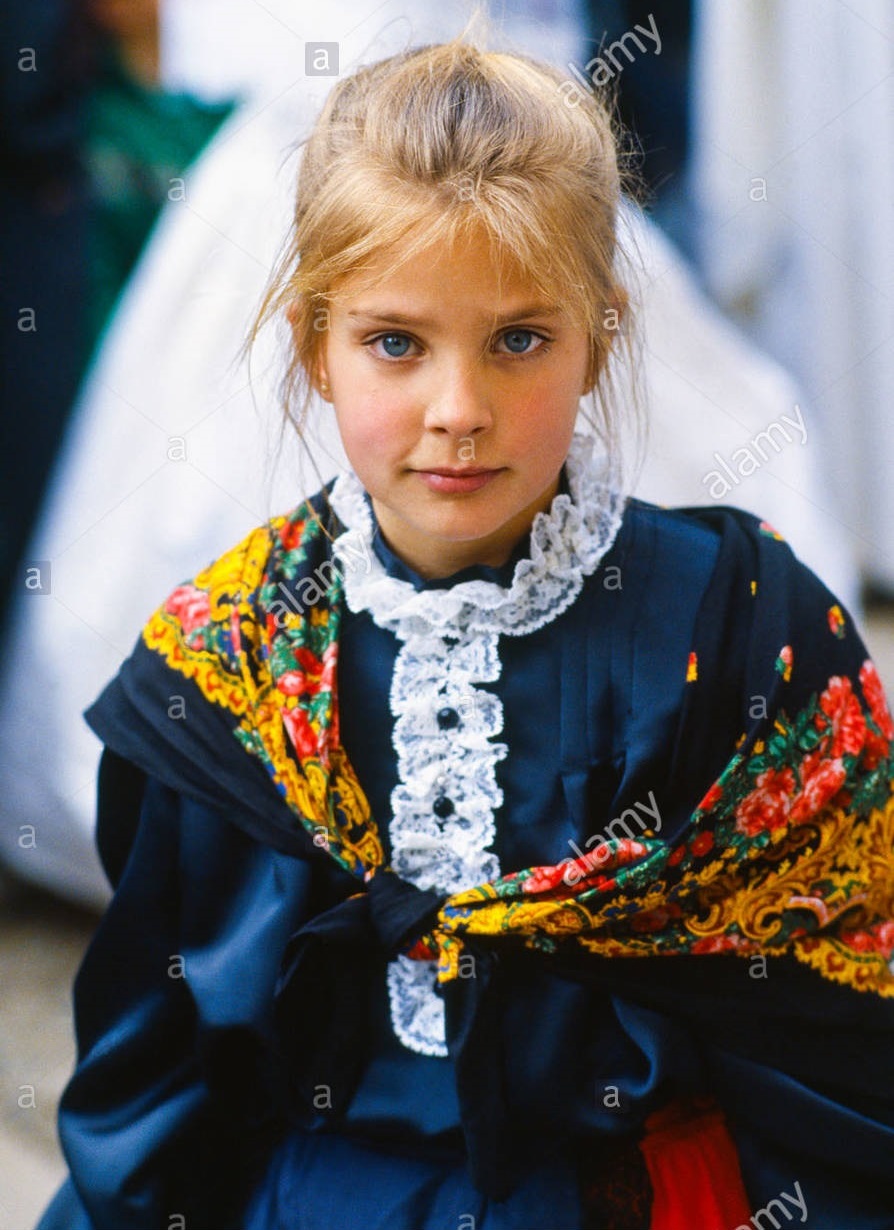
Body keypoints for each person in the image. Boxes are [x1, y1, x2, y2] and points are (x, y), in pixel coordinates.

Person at [36, 35, 894, 1230]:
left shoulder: (742, 631)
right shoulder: (236, 661)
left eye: (519, 341)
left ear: (602, 334)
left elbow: (839, 1028)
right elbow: (157, 1058)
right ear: (312, 346)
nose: (458, 412)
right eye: (396, 342)